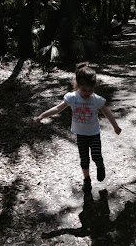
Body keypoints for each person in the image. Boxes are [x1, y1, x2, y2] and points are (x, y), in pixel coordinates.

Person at [34, 62, 122, 192]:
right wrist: (42, 115)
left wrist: (115, 126)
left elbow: (106, 112)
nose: (87, 93)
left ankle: (100, 165)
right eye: (84, 90)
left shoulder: (96, 99)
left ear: (94, 87)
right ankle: (87, 180)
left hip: (94, 133)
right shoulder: (72, 97)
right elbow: (58, 109)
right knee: (84, 158)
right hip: (80, 135)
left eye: (90, 90)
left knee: (96, 155)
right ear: (77, 85)